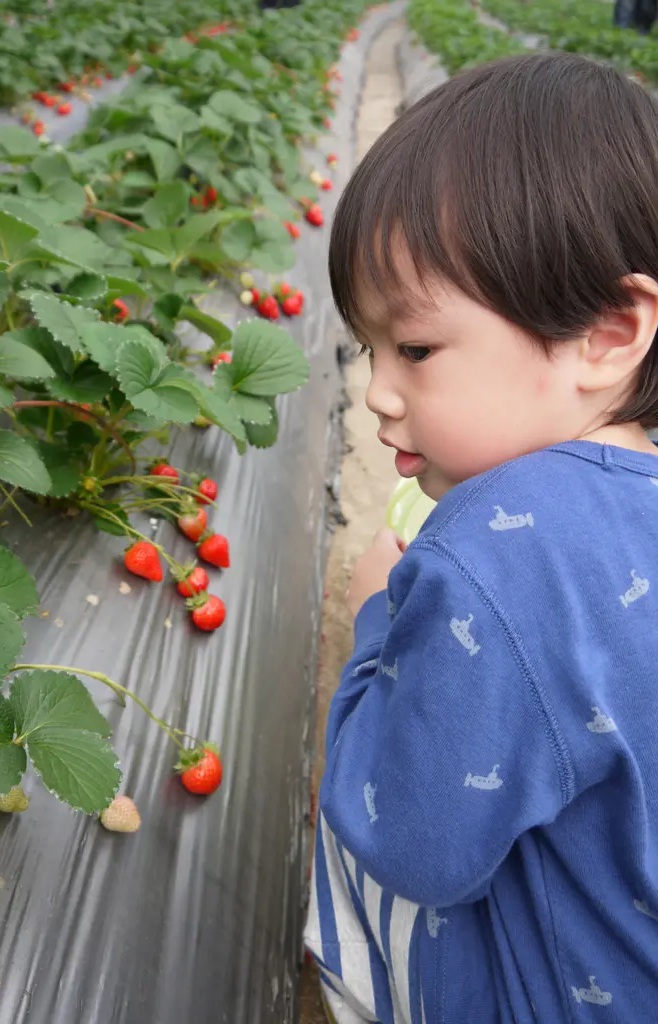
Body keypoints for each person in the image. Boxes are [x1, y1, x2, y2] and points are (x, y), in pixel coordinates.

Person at [305, 52, 658, 1023]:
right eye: (368, 349)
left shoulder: (495, 548)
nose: (378, 391)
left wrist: (379, 617)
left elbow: (409, 834)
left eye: (414, 348)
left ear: (606, 332)